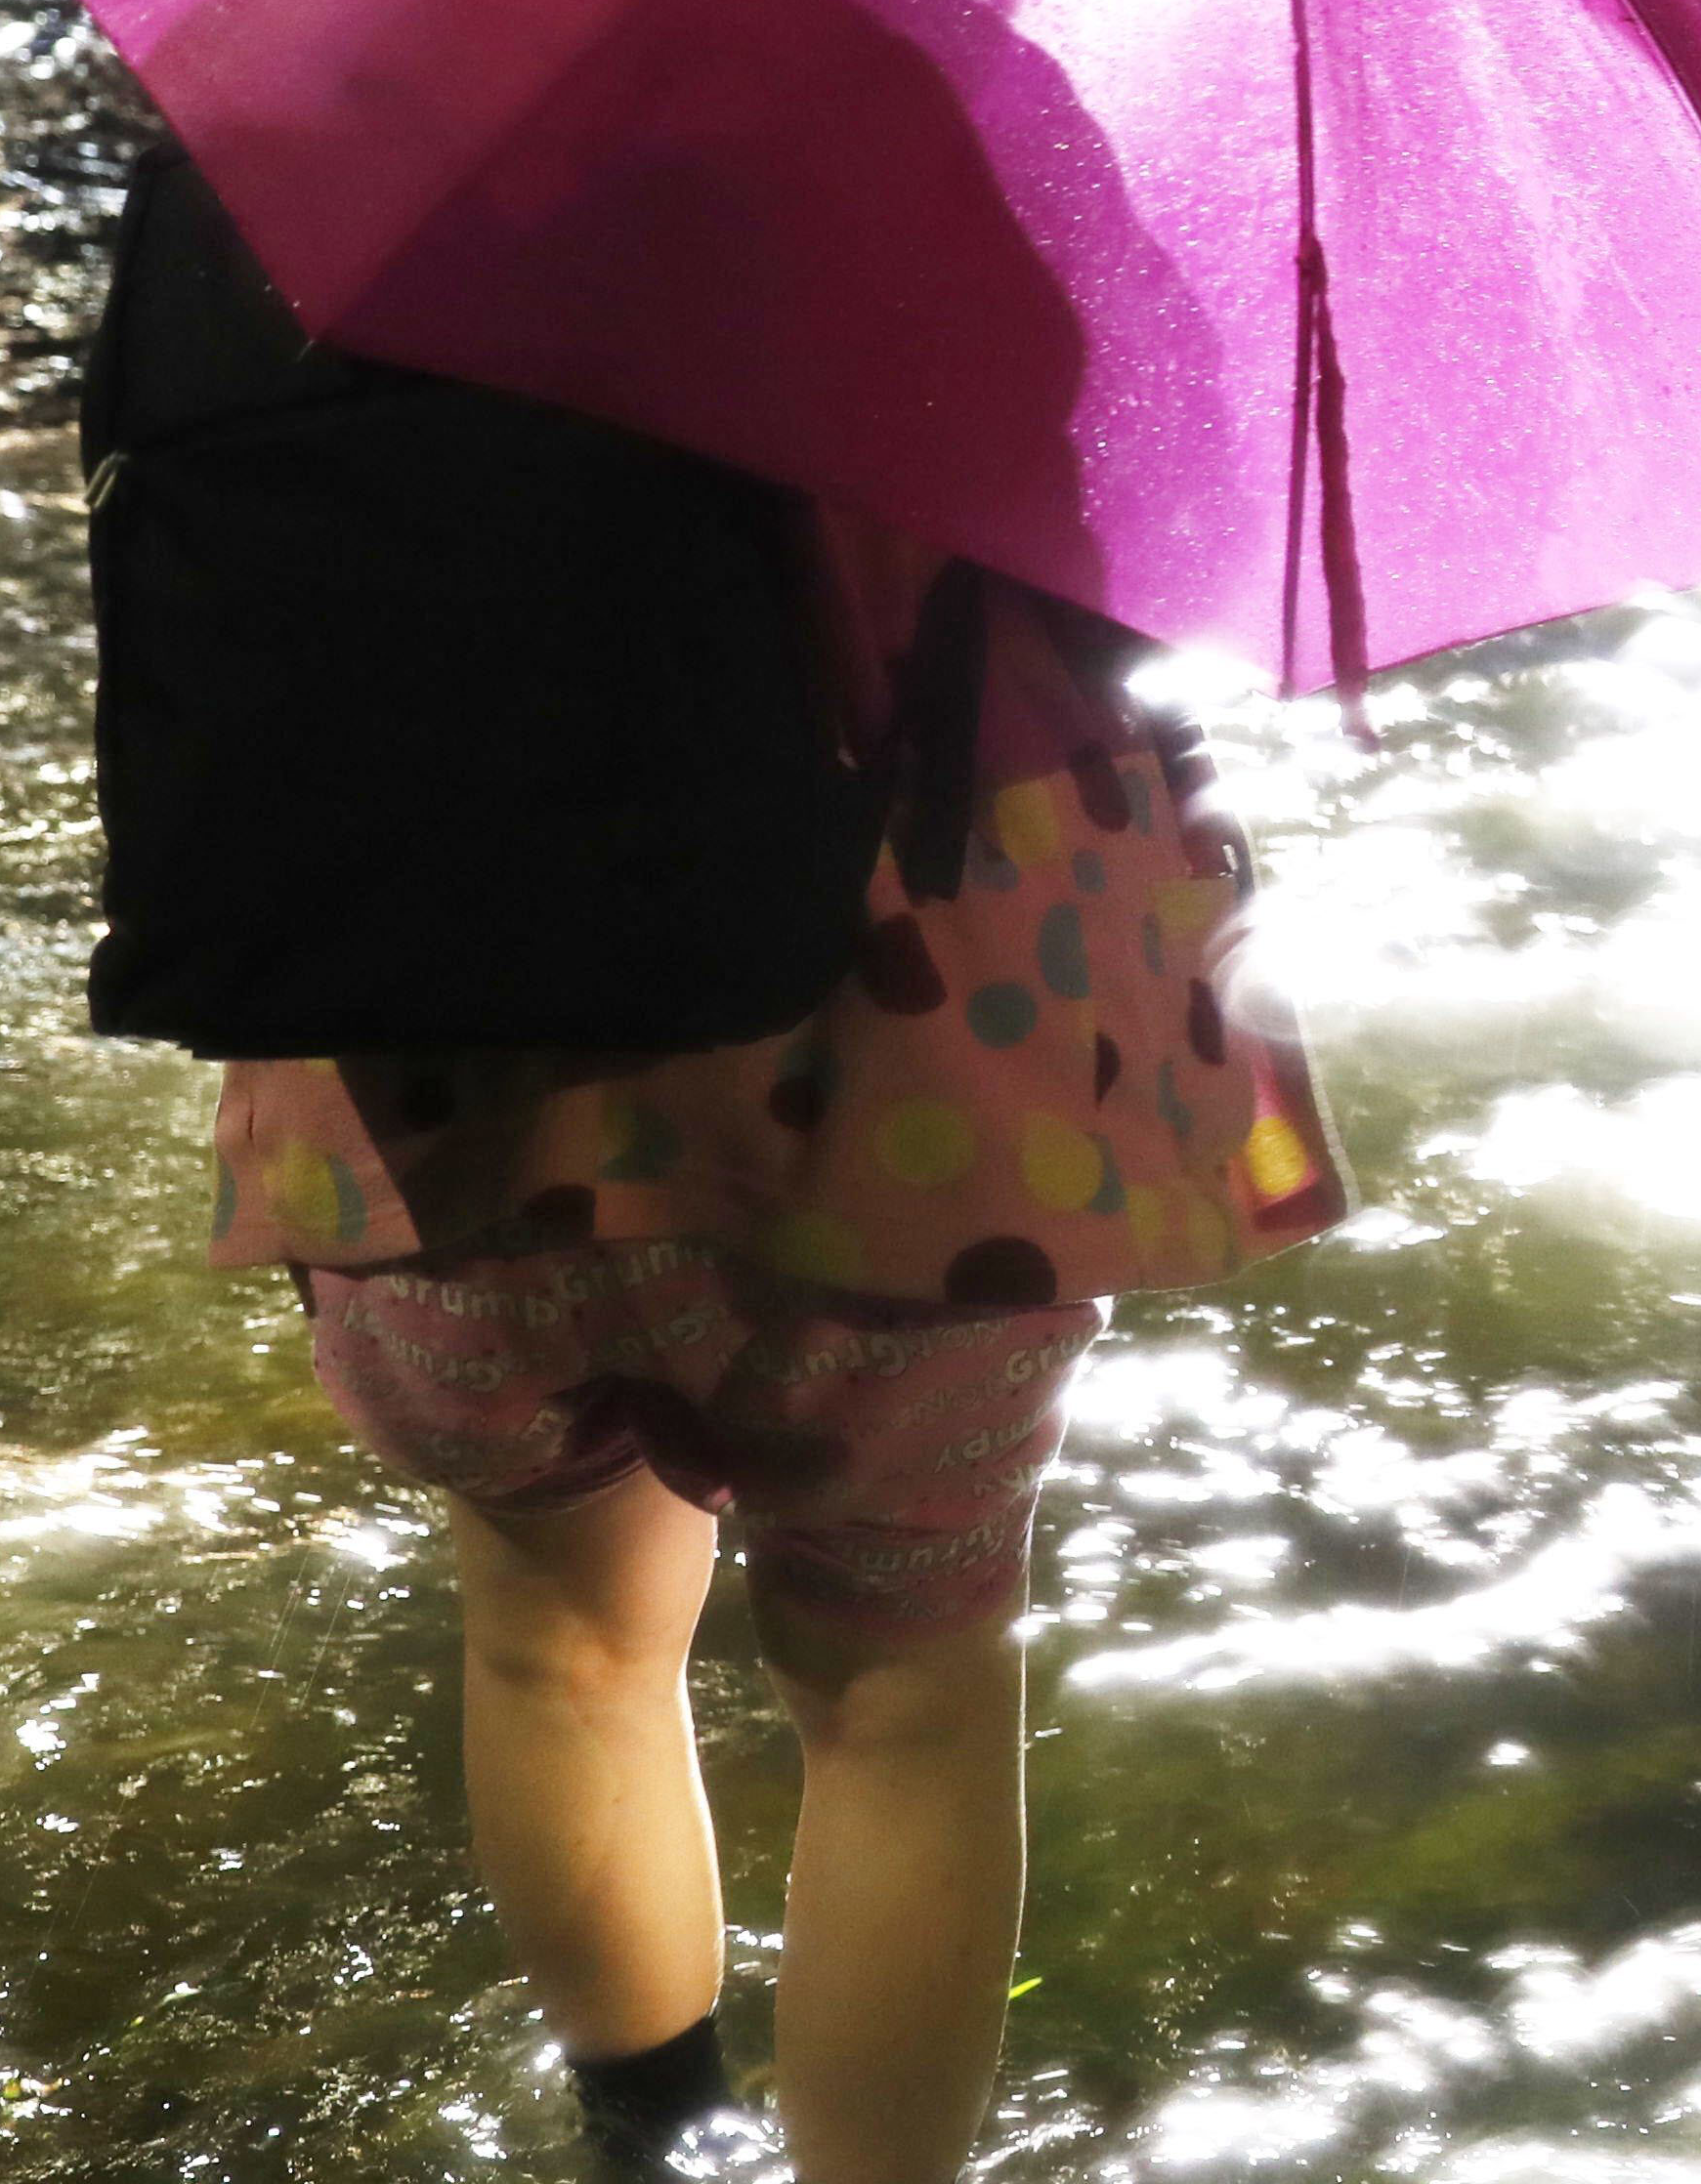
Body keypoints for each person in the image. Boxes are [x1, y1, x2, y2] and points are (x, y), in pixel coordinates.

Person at [108, 157, 1347, 2184]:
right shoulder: (960, 103)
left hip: (434, 1054)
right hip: (917, 1078)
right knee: (903, 1707)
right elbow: (1150, 490)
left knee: (555, 1638)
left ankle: (649, 2143)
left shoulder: (311, 99)